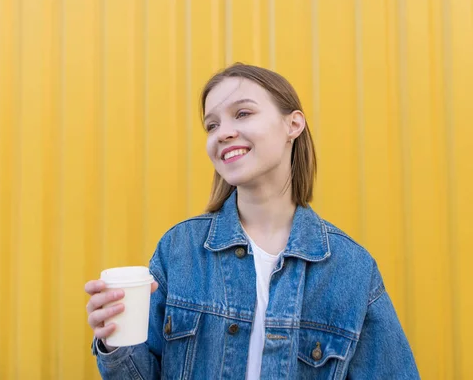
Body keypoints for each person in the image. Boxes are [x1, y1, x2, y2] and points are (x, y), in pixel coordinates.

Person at [84, 63, 420, 379]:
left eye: (242, 113)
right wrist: (114, 341)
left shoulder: (351, 269)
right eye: (212, 125)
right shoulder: (179, 250)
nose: (223, 133)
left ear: (293, 124)